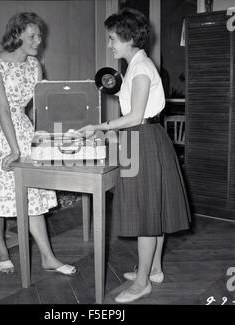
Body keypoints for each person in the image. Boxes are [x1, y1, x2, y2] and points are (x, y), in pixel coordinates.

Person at [0, 12, 77, 276]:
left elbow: (38, 106)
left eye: (39, 35)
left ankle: (48, 258)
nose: (38, 40)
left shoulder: (34, 65)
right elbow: (3, 109)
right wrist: (14, 148)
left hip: (22, 128)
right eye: (32, 35)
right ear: (16, 34)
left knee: (32, 197)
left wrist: (44, 137)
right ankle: (2, 251)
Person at [77, 8, 191, 303]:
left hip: (143, 139)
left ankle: (142, 283)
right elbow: (134, 112)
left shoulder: (140, 69)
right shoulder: (136, 67)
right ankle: (153, 269)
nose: (109, 44)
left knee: (145, 213)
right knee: (154, 209)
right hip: (140, 139)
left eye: (112, 38)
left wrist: (100, 126)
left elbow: (135, 116)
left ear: (128, 38)